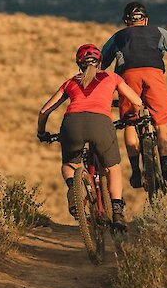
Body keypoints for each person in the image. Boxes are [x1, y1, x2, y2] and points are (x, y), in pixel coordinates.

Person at [37, 42, 144, 231]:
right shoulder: (112, 77)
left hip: (72, 124)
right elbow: (136, 101)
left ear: (79, 63)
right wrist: (130, 116)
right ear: (100, 62)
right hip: (101, 123)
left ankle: (74, 190)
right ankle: (117, 212)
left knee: (69, 164)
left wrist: (42, 132)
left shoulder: (70, 82)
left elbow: (44, 110)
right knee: (113, 168)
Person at [100, 1, 167, 189]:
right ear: (146, 20)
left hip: (127, 77)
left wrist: (102, 95)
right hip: (154, 75)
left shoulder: (118, 37)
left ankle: (135, 171)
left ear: (126, 21)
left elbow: (100, 66)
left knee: (130, 122)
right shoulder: (159, 32)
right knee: (162, 124)